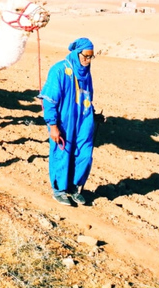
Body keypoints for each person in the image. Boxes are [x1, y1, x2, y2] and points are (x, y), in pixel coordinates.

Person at [39, 38, 98, 206]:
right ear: (76, 53)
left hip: (83, 120)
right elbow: (50, 100)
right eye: (85, 56)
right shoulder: (59, 70)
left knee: (84, 154)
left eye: (91, 57)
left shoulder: (86, 74)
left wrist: (92, 113)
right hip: (64, 121)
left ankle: (73, 187)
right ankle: (59, 190)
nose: (87, 60)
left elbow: (87, 96)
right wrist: (53, 125)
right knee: (62, 153)